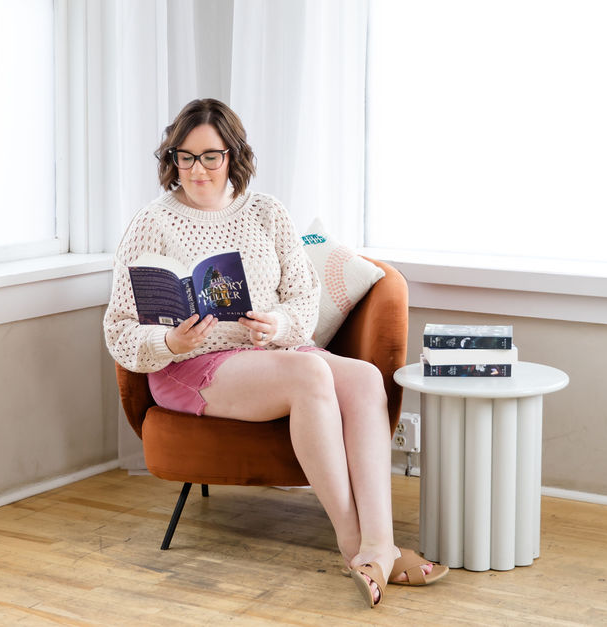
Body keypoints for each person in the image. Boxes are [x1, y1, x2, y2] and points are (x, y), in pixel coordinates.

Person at [104, 98, 447, 608]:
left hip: (273, 351)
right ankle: (355, 546)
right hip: (189, 366)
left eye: (210, 156)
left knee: (365, 379)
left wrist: (280, 323)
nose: (197, 169)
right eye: (185, 156)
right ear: (171, 158)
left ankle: (382, 543)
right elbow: (118, 329)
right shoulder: (151, 223)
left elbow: (303, 295)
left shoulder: (266, 212)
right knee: (309, 374)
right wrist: (170, 342)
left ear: (233, 156)